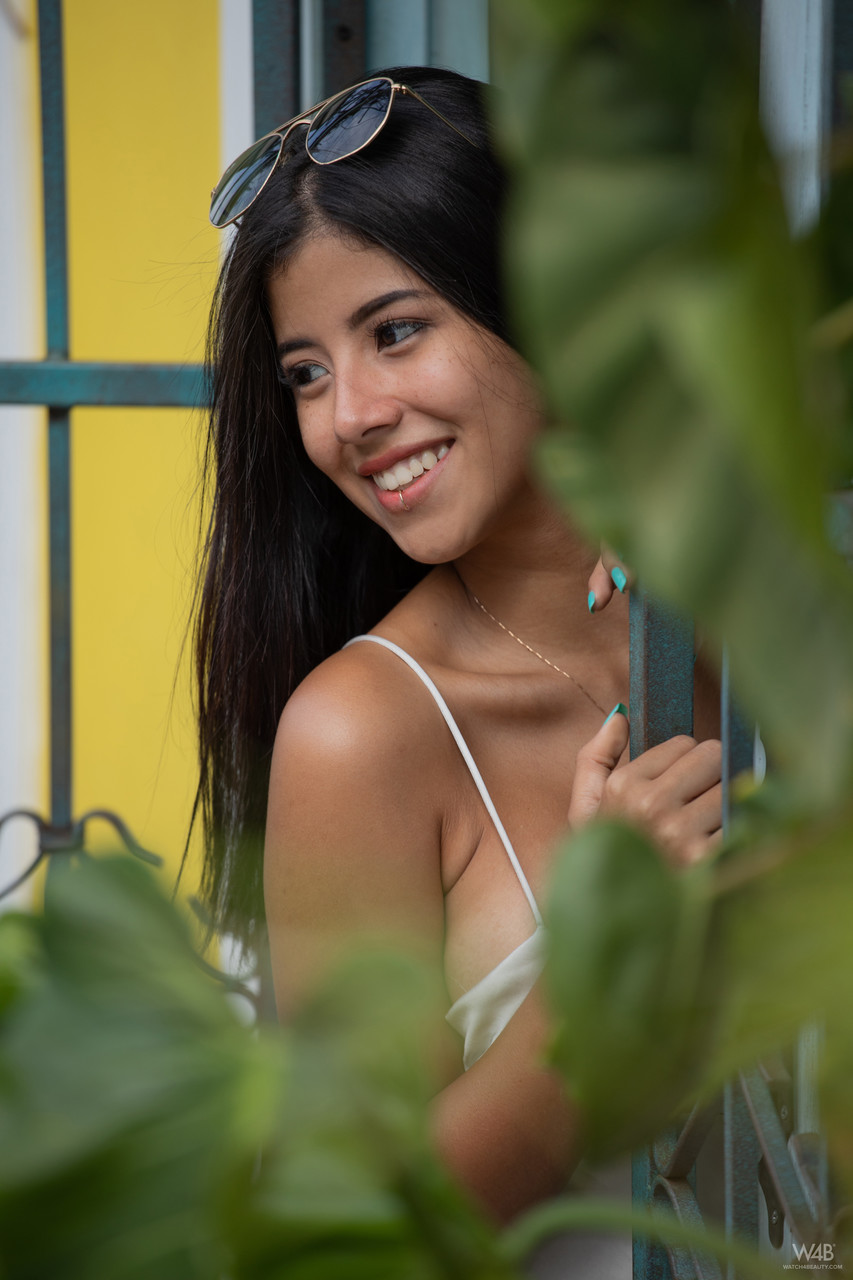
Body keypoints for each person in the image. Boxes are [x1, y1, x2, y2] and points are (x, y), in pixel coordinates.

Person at [195, 66, 723, 1226]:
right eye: (305, 373)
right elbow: (358, 1225)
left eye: (395, 332)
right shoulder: (359, 732)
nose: (349, 415)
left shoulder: (749, 608)